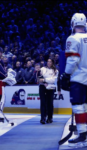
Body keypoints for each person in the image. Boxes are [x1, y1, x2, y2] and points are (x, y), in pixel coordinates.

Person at [61, 13, 87, 147]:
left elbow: (73, 60)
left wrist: (66, 75)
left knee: (78, 107)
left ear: (73, 24)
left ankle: (82, 134)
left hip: (78, 78)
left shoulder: (72, 38)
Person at [39, 58, 58, 124]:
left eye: (50, 61)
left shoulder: (55, 71)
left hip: (51, 88)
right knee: (43, 103)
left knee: (49, 103)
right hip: (42, 87)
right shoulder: (42, 69)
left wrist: (44, 80)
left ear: (52, 62)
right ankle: (43, 118)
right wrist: (44, 82)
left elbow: (53, 80)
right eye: (48, 61)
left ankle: (50, 118)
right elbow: (39, 78)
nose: (49, 62)